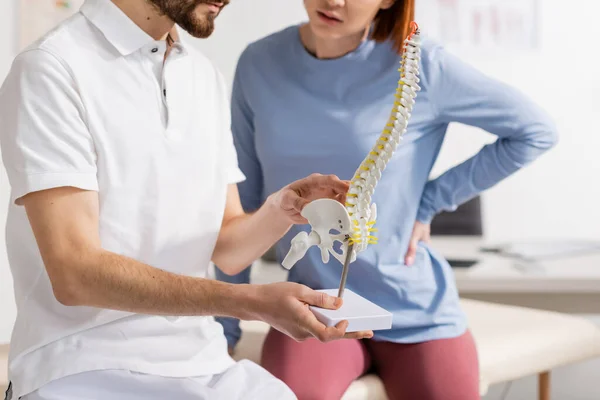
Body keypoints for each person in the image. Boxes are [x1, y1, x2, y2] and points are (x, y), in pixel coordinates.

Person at [0, 0, 375, 399]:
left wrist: (282, 207)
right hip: (79, 365)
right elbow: (75, 274)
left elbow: (227, 247)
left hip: (202, 362)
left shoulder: (202, 76)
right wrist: (249, 303)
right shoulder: (51, 67)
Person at [215, 0, 559, 399]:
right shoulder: (260, 64)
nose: (333, 1)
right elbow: (241, 207)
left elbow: (535, 132)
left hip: (413, 306)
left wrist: (428, 202)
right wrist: (226, 326)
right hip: (315, 303)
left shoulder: (423, 65)